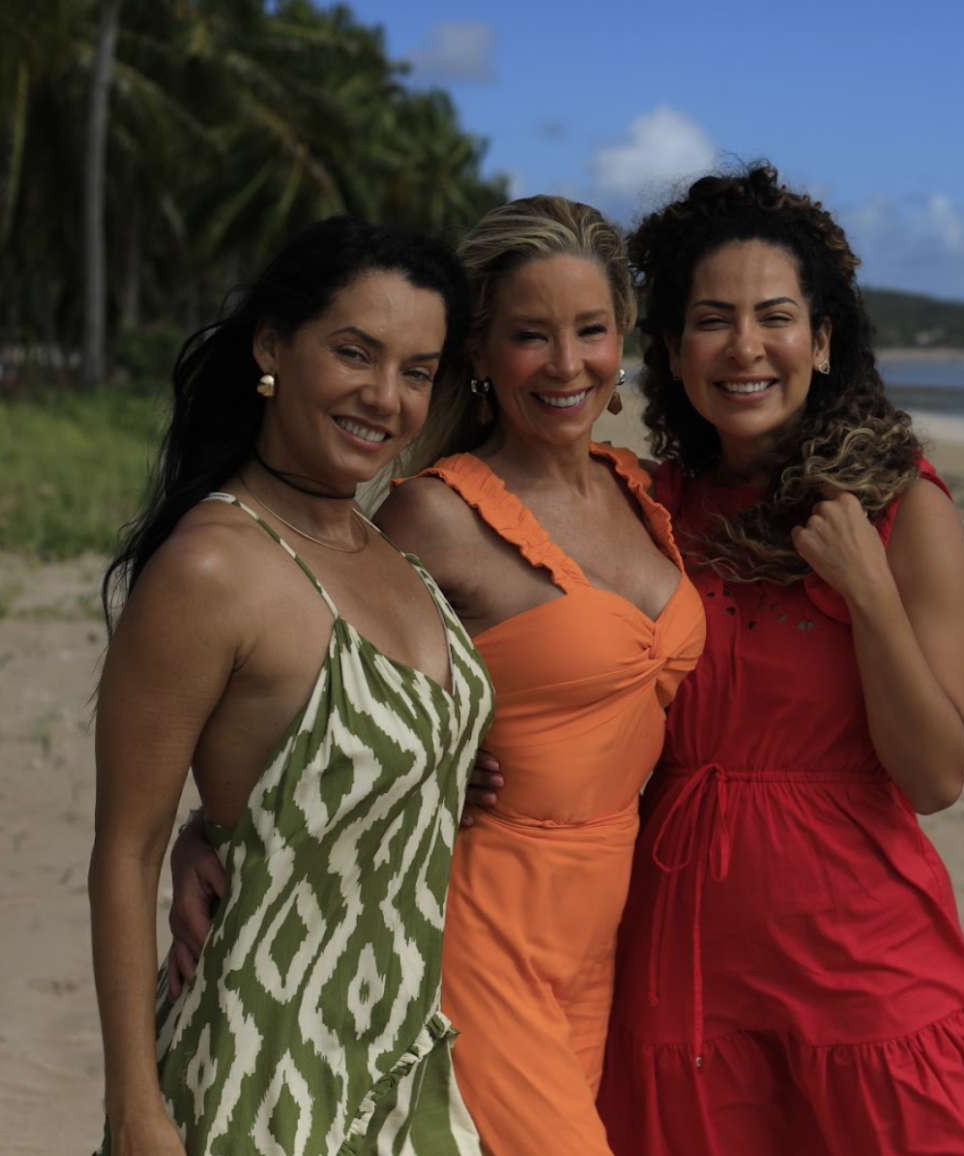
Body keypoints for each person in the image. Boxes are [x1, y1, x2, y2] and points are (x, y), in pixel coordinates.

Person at [165, 196, 706, 1155]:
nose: (566, 362)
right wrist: (213, 827)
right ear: (481, 354)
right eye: (529, 335)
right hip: (478, 921)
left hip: (604, 939)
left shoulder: (643, 492)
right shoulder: (434, 515)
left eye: (590, 330)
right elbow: (319, 683)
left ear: (623, 340)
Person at [595, 164, 964, 1155]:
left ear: (821, 343)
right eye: (711, 319)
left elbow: (938, 772)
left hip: (863, 971)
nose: (745, 347)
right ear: (670, 350)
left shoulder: (902, 505)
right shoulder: (645, 513)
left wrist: (866, 591)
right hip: (682, 972)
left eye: (775, 316)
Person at [88, 216, 489, 1154]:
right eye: (355, 352)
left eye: (418, 370)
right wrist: (139, 1116)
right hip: (254, 1078)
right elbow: (124, 852)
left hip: (402, 1069)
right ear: (273, 345)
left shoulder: (390, 551)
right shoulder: (213, 569)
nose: (385, 398)